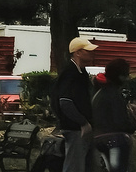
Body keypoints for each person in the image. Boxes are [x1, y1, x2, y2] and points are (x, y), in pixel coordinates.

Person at [54, 35, 97, 172]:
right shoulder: (70, 73)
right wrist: (83, 123)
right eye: (87, 51)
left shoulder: (81, 72)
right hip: (75, 128)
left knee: (85, 165)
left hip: (80, 127)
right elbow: (65, 102)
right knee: (74, 166)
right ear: (77, 53)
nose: (92, 53)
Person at [91, 58, 135, 172]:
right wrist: (132, 127)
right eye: (126, 74)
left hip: (98, 138)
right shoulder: (114, 94)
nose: (128, 78)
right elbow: (120, 121)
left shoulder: (99, 93)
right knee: (119, 168)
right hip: (115, 139)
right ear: (120, 76)